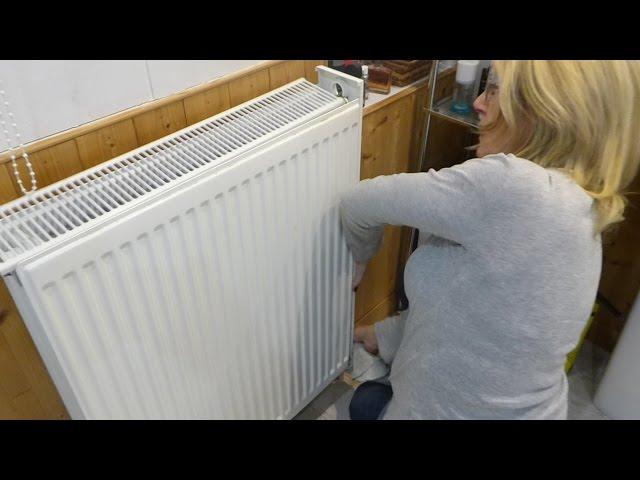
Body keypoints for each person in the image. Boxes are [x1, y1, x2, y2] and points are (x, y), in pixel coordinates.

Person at [340, 60, 640, 420]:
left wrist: (360, 257)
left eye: (495, 90)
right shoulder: (585, 204)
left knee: (364, 403)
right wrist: (384, 335)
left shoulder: (513, 187)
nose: (480, 102)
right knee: (369, 399)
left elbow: (360, 202)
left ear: (544, 111)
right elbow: (478, 314)